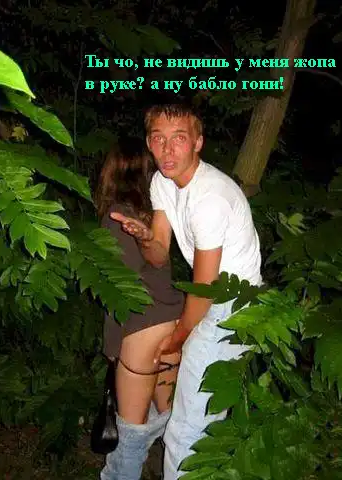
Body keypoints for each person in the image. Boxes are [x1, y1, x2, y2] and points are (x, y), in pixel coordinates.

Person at [110, 104, 263, 479]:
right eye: (158, 139)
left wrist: (177, 339)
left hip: (233, 308)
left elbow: (205, 287)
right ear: (149, 143)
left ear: (198, 142)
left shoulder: (210, 197)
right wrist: (145, 237)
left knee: (185, 433)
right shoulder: (163, 183)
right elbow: (159, 254)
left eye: (178, 138)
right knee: (199, 419)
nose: (167, 149)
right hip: (213, 300)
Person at [94, 136, 185, 480]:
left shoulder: (117, 219)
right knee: (173, 422)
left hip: (141, 329)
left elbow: (122, 291)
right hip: (173, 322)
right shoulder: (155, 217)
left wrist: (112, 346)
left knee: (130, 434)